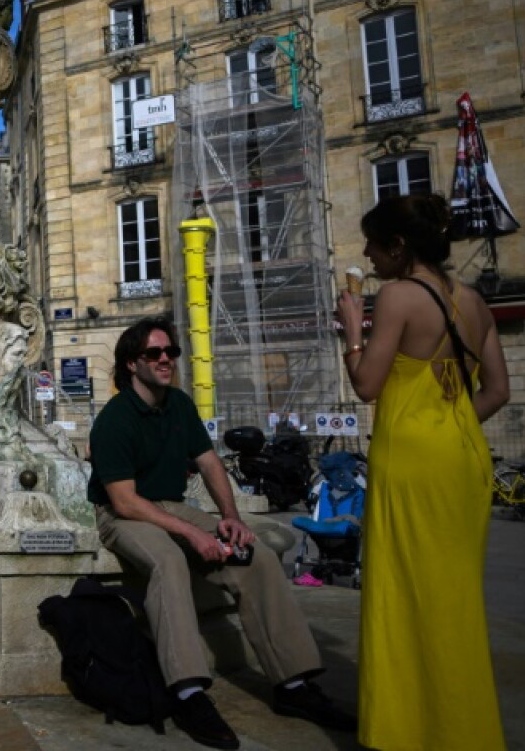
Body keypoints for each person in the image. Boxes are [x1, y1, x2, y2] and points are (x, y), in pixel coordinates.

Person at [88, 317, 355, 750]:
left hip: (169, 506)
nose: (165, 360)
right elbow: (123, 502)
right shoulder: (115, 419)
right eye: (154, 354)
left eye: (170, 353)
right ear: (131, 364)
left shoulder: (178, 404)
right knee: (169, 560)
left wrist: (231, 517)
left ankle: (293, 685)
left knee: (257, 556)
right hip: (124, 513)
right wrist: (192, 535)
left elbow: (210, 462)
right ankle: (189, 693)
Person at [336, 194, 508, 751]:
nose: (366, 253)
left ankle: (405, 731)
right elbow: (497, 392)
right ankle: (465, 730)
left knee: (403, 595)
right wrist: (447, 420)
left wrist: (352, 328)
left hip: (410, 459)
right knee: (453, 599)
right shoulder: (474, 300)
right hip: (462, 457)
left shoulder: (399, 296)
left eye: (373, 243)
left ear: (398, 246)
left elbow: (367, 384)